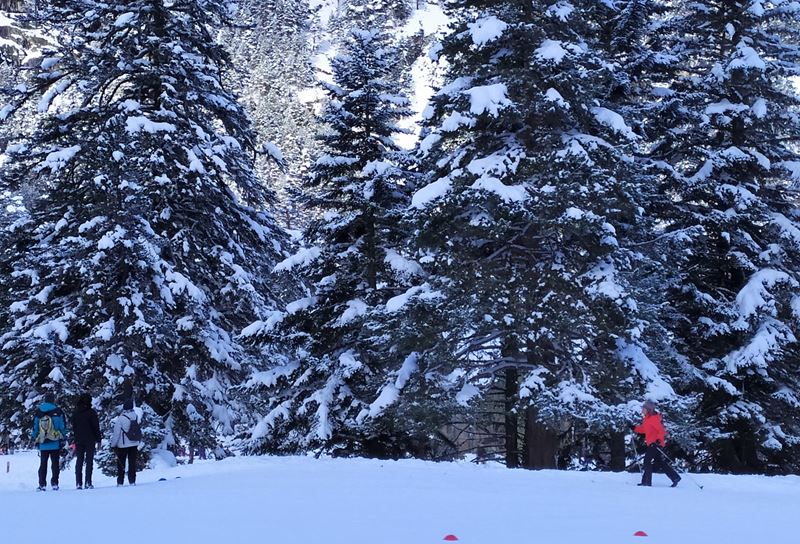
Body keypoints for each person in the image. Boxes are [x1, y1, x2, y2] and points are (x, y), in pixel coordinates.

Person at [633, 400, 681, 487]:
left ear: (649, 409)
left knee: (647, 461)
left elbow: (661, 431)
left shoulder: (654, 419)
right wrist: (634, 428)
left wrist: (658, 441)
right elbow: (644, 429)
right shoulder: (647, 418)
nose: (642, 410)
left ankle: (646, 482)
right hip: (651, 443)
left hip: (655, 444)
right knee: (659, 462)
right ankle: (675, 477)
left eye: (644, 408)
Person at [32, 392, 67, 491]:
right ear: (53, 400)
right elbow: (62, 426)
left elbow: (35, 427)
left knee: (43, 463)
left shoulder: (39, 412)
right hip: (55, 442)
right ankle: (55, 483)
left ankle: (42, 484)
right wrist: (63, 436)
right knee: (55, 463)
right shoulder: (58, 411)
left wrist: (34, 437)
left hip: (43, 442)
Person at [71, 393, 101, 489]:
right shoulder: (91, 412)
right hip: (90, 439)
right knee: (89, 461)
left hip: (78, 439)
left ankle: (78, 483)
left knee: (79, 460)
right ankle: (88, 482)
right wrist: (98, 439)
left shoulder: (75, 412)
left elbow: (73, 426)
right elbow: (96, 427)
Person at [109, 398, 140, 486]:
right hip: (134, 442)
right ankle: (132, 480)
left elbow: (116, 433)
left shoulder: (121, 418)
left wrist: (113, 444)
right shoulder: (136, 416)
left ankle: (120, 481)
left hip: (123, 444)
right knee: (132, 462)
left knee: (121, 463)